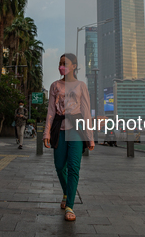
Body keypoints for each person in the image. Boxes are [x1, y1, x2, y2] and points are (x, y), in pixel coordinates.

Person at [43, 53, 94, 222]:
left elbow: (86, 112)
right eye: (60, 63)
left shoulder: (81, 86)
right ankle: (66, 192)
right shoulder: (54, 86)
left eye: (65, 63)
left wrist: (90, 137)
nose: (62, 66)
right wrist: (47, 133)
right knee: (59, 166)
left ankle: (70, 205)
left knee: (73, 167)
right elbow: (51, 111)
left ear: (74, 66)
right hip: (60, 129)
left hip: (77, 130)